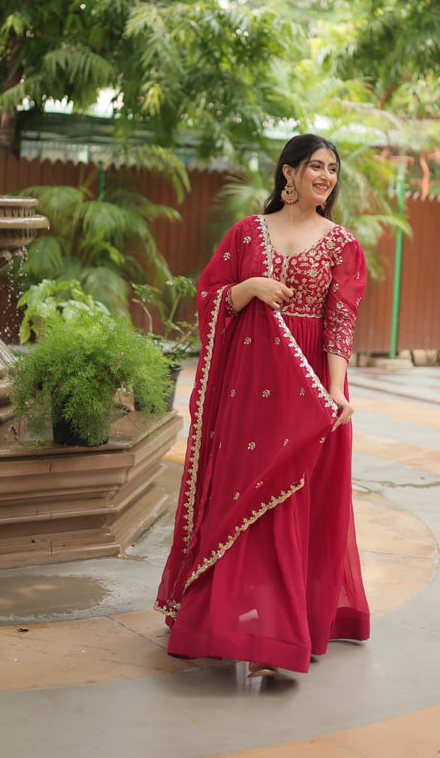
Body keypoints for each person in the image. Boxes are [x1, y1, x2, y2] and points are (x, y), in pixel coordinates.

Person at [155, 133, 370, 677]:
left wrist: (337, 391)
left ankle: (278, 634)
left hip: (307, 390)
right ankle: (224, 621)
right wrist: (247, 286)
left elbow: (341, 323)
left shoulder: (342, 243)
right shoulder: (248, 232)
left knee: (290, 505)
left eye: (333, 169)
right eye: (316, 166)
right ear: (288, 173)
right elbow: (210, 294)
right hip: (247, 389)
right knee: (238, 497)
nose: (327, 176)